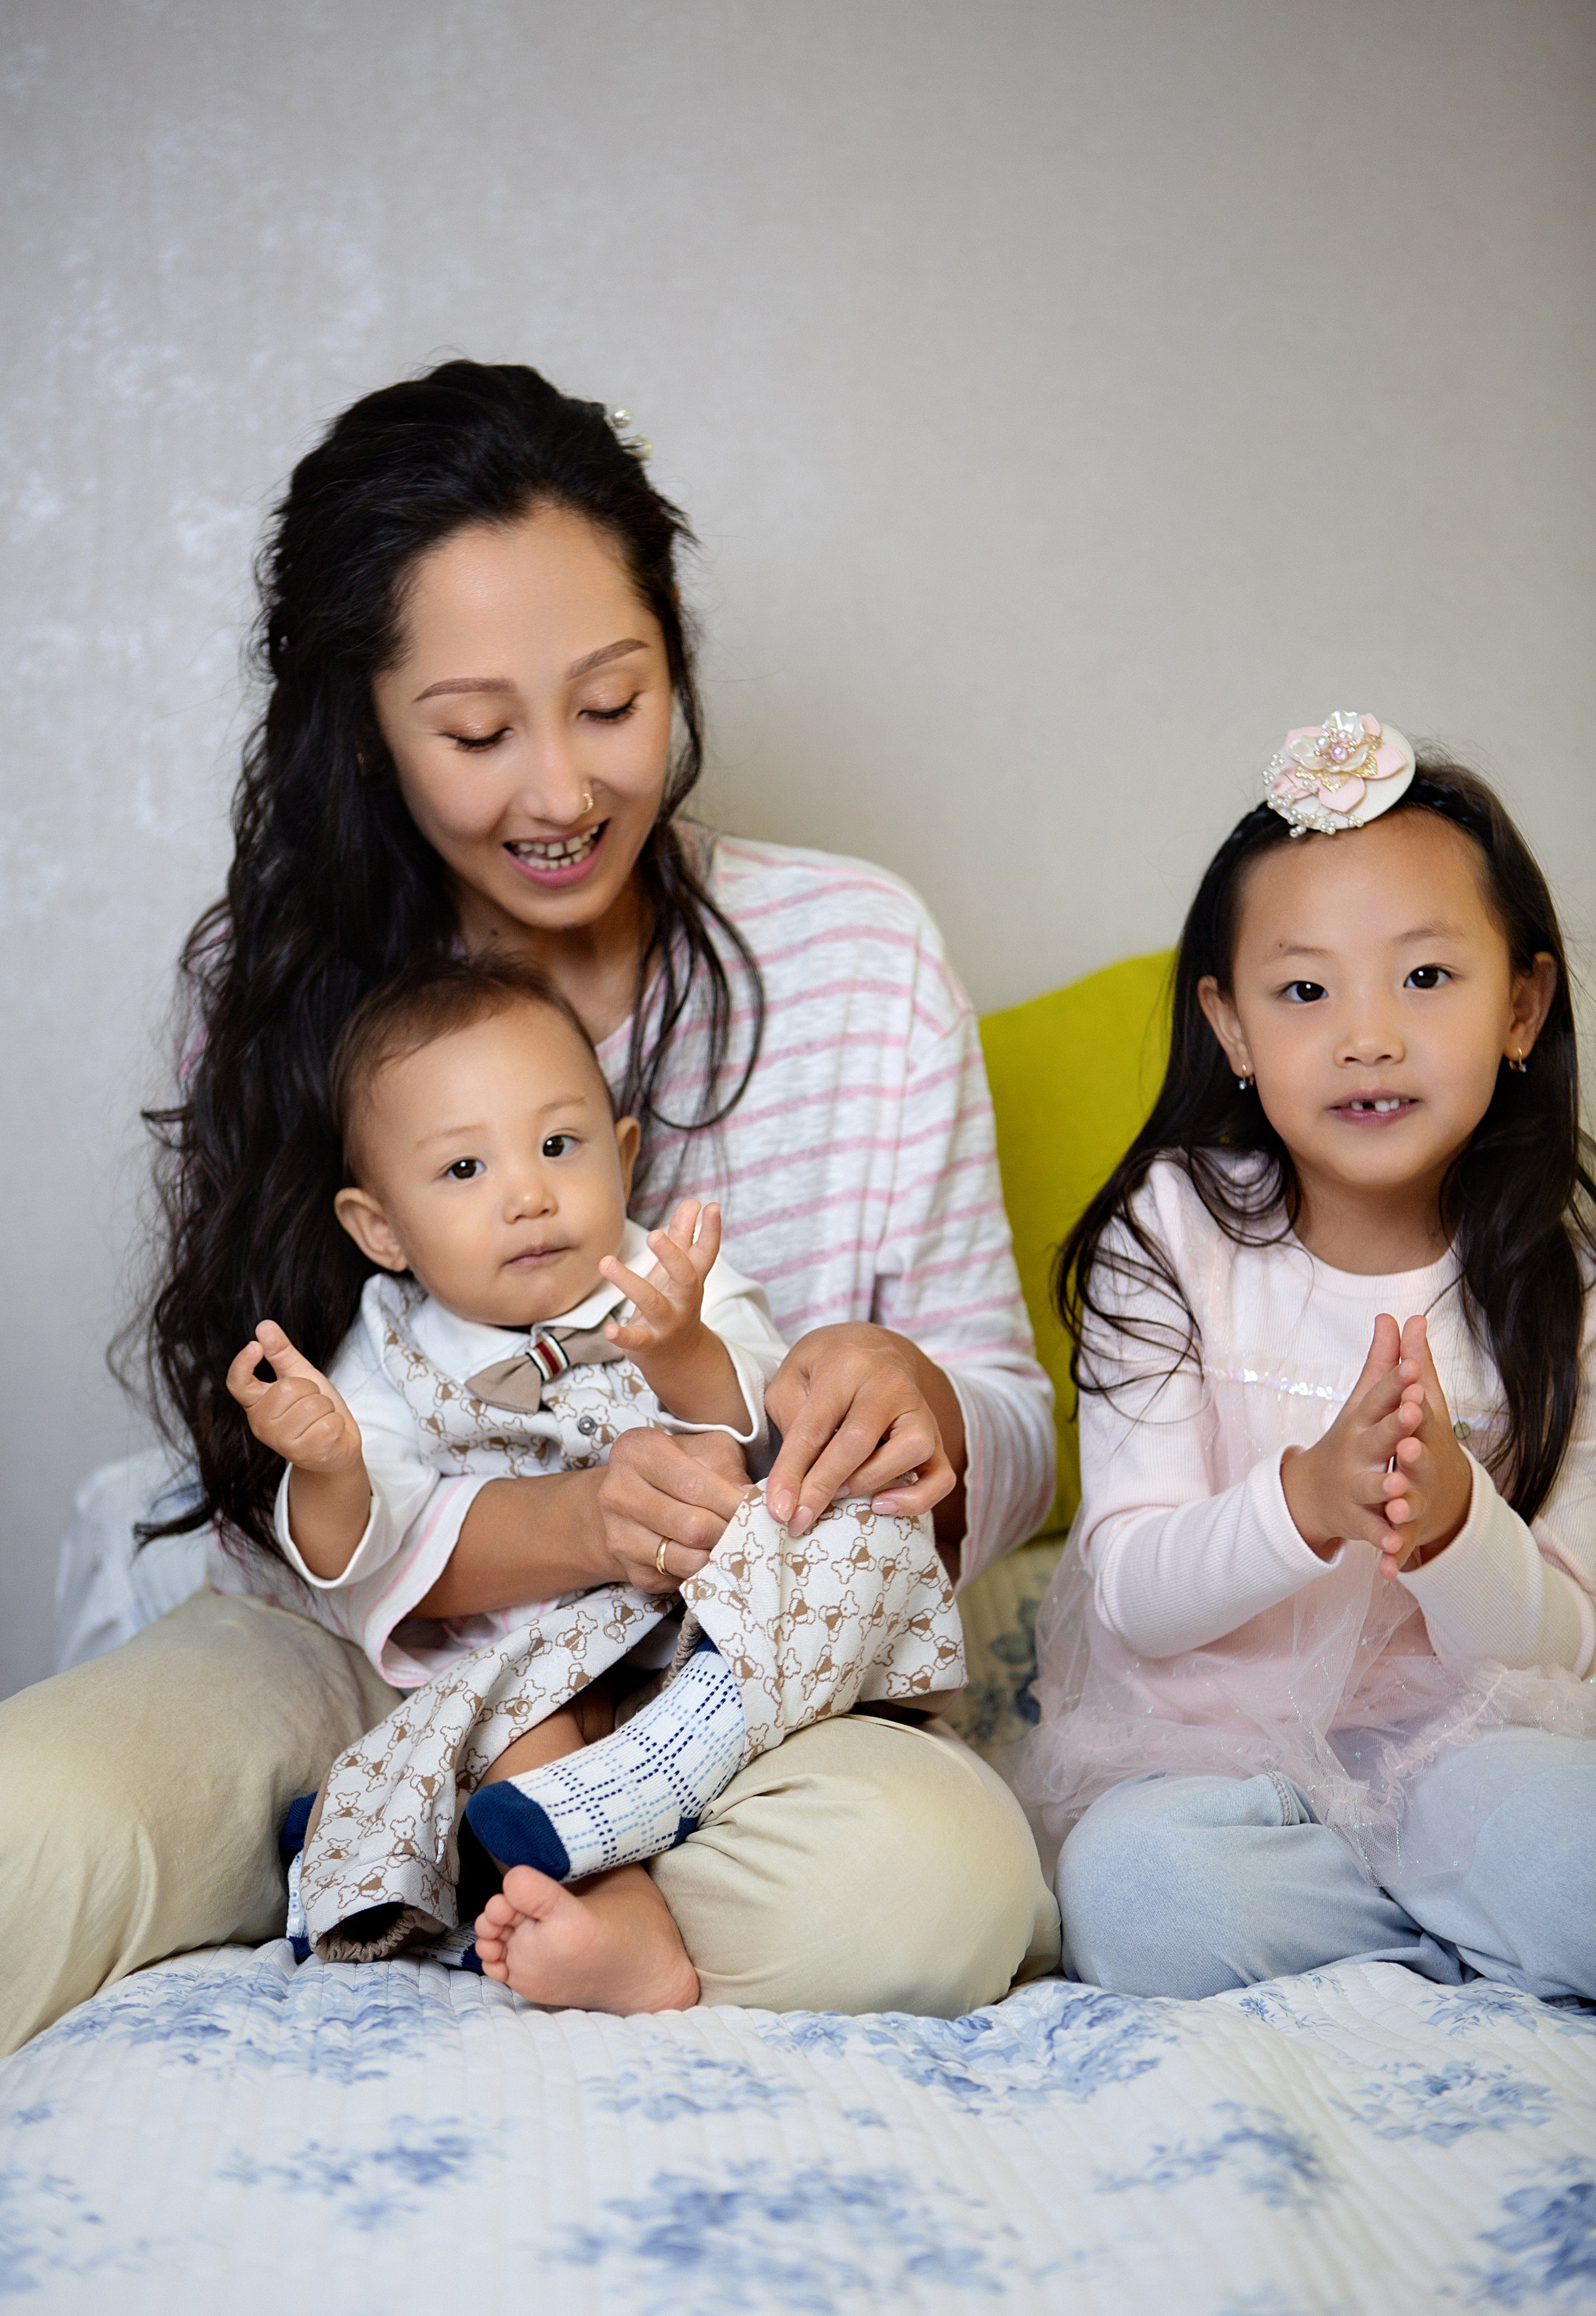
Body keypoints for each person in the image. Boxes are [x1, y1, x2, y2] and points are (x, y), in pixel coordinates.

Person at [0, 361, 1057, 2053]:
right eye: (480, 734)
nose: (562, 792)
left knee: (935, 1884)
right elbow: (288, 1475)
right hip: (362, 1651)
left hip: (727, 1691)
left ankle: (455, 1880)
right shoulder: (289, 993)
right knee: (33, 1829)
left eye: (614, 702)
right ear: (363, 723)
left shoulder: (859, 955)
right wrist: (569, 1528)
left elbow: (1002, 1427)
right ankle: (452, 1847)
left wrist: (920, 1404)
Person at [230, 952, 964, 1993]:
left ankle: (703, 1747)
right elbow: (358, 1554)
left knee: (853, 1524)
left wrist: (683, 1354)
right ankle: (616, 1930)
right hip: (543, 1656)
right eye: (464, 1171)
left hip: (710, 1627)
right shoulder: (387, 1349)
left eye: (560, 1146)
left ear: (623, 1156)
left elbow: (766, 1426)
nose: (529, 1196)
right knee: (524, 1737)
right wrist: (330, 1463)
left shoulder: (666, 1277)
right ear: (379, 1227)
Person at [1019, 716, 1596, 2001]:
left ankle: (1460, 1899)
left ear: (1521, 1006)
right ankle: (1430, 1936)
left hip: (1459, 1748)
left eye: (1424, 978)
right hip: (1207, 1758)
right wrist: (1303, 1500)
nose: (1366, 1035)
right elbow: (1130, 1590)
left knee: (1577, 1871)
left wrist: (1453, 1528)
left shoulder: (1555, 1281)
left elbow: (1563, 1638)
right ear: (1227, 1028)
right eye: (1302, 990)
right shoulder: (1168, 1238)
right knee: (1135, 1900)